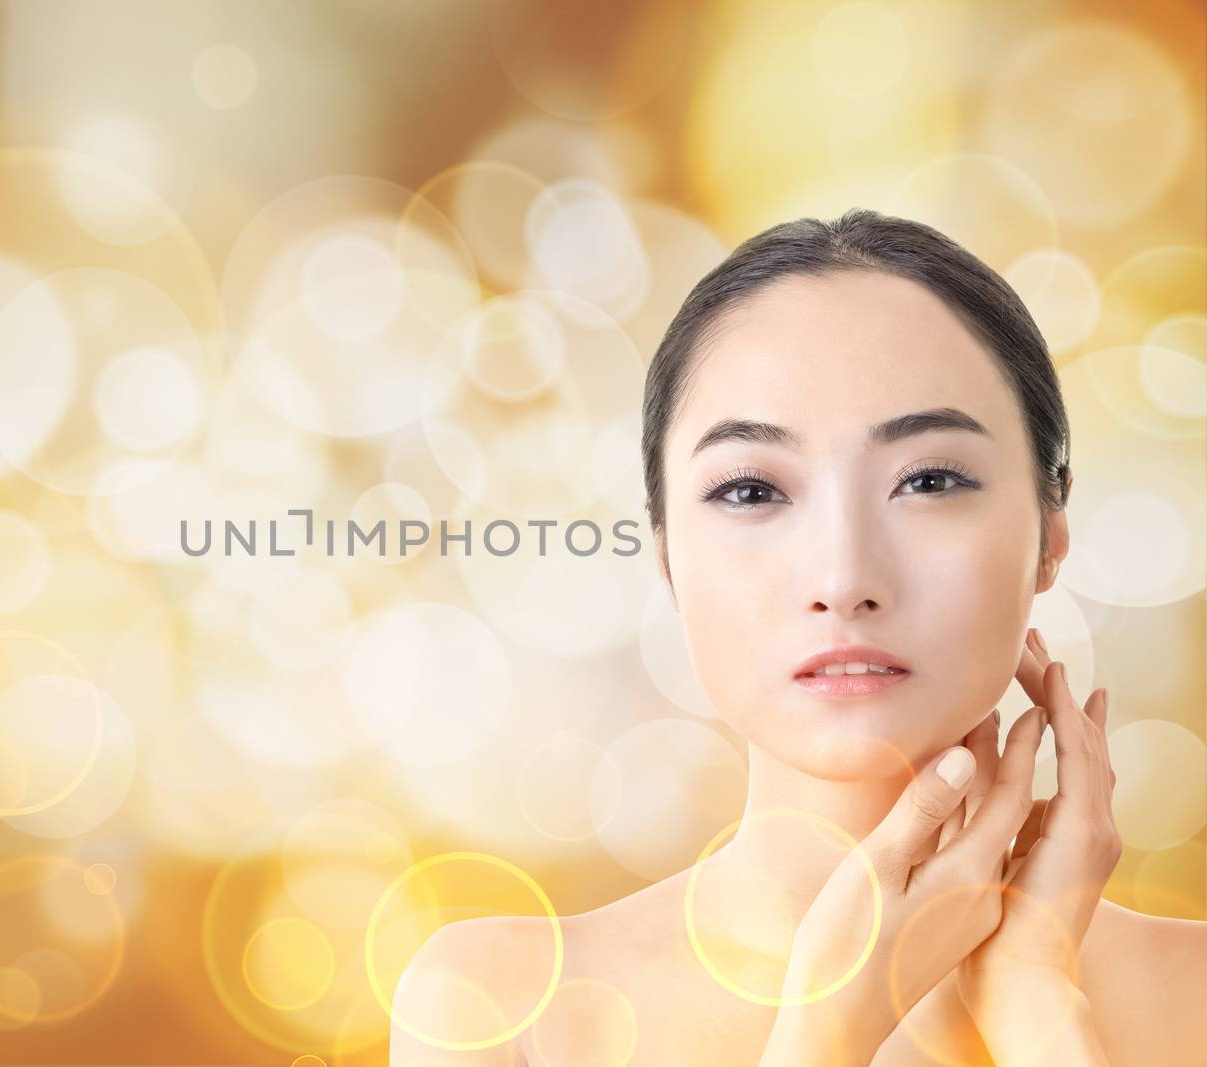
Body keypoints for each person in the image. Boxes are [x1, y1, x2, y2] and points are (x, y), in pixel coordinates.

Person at [388, 209, 1207, 1066]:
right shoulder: (504, 1006)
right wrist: (831, 1025)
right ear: (667, 552)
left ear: (1051, 532)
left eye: (928, 479)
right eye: (751, 491)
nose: (843, 578)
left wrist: (1037, 1005)